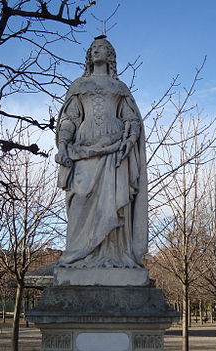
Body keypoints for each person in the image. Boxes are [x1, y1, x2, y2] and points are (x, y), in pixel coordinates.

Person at [55, 36, 148, 268]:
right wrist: (64, 141)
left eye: (103, 48)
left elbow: (131, 118)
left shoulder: (119, 87)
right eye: (94, 48)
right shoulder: (78, 85)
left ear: (111, 55)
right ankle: (79, 254)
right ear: (89, 55)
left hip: (115, 150)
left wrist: (131, 138)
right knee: (80, 198)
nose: (98, 50)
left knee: (114, 202)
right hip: (83, 149)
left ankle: (114, 256)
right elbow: (70, 117)